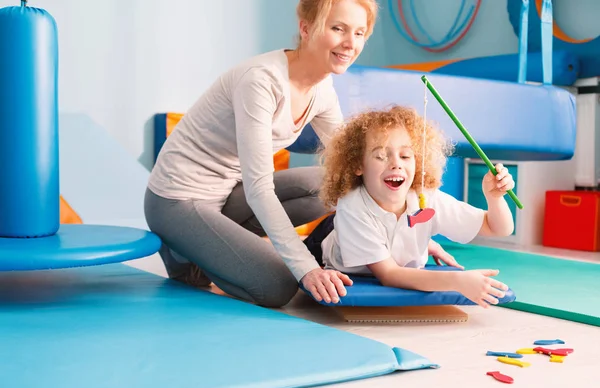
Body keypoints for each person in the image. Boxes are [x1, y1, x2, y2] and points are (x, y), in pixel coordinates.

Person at [144, 0, 454, 308]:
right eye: (338, 29)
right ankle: (185, 251)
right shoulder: (261, 81)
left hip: (226, 197)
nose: (350, 43)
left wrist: (413, 232)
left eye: (359, 33)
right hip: (177, 201)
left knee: (335, 180)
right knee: (278, 285)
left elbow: (359, 166)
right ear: (306, 28)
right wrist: (306, 268)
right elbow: (260, 189)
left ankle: (207, 244)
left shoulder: (322, 89)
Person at [304, 105, 516, 308]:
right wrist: (457, 281)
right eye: (380, 156)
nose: (396, 163)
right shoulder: (351, 207)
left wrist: (495, 198)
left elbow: (497, 228)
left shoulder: (427, 199)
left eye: (405, 156)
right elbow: (389, 275)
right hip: (328, 238)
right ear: (358, 165)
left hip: (376, 240)